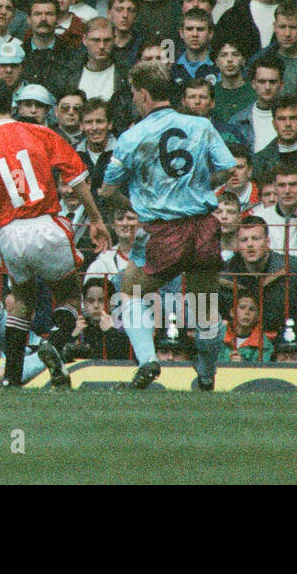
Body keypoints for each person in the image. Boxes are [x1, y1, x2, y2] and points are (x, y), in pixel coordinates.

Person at [100, 61, 237, 390]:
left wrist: (134, 205)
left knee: (130, 291)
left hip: (162, 229)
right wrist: (200, 187)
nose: (134, 99)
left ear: (144, 94)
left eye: (134, 93)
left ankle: (147, 360)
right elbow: (228, 168)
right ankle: (206, 376)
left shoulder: (133, 136)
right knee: (205, 304)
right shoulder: (201, 126)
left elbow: (107, 190)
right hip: (204, 224)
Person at [0, 77, 109, 388]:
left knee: (23, 298)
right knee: (69, 294)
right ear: (11, 106)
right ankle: (54, 344)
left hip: (7, 233)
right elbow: (78, 175)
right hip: (44, 222)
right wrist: (95, 218)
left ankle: (11, 378)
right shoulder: (39, 132)